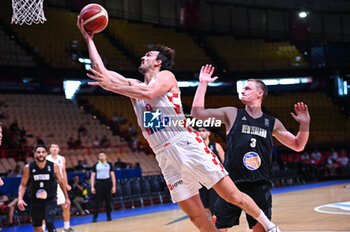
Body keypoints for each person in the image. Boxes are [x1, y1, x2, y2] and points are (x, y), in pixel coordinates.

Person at [78, 17, 281, 232]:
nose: (142, 57)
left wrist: (112, 87)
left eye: (148, 55)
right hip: (163, 154)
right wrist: (89, 39)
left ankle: (270, 227)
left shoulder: (166, 76)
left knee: (232, 196)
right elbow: (101, 72)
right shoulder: (134, 85)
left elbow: (149, 93)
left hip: (185, 143)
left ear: (158, 62)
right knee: (196, 215)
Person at [191, 65, 310, 232]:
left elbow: (298, 145)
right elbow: (197, 114)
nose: (242, 91)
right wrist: (203, 83)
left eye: (247, 88)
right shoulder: (232, 114)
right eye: (242, 88)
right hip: (230, 185)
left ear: (259, 93)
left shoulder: (272, 122)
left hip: (259, 186)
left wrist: (304, 124)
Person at [17, 145, 71, 232]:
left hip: (50, 199)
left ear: (46, 154)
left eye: (43, 152)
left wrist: (67, 198)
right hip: (35, 200)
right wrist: (20, 199)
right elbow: (22, 185)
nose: (41, 154)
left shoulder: (54, 166)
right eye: (38, 152)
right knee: (37, 227)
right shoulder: (28, 167)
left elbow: (61, 182)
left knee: (49, 222)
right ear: (34, 154)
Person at [197, 126, 225, 221]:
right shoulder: (196, 148)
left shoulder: (216, 145)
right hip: (201, 181)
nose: (201, 133)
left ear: (209, 133)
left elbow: (224, 163)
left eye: (203, 131)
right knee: (204, 209)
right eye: (199, 131)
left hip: (214, 181)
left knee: (215, 207)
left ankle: (216, 227)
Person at [46, 143, 75, 232]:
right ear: (50, 149)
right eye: (52, 147)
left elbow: (64, 172)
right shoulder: (46, 158)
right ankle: (42, 229)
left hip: (60, 184)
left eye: (56, 147)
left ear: (59, 149)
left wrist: (66, 184)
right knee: (45, 209)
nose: (54, 148)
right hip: (49, 185)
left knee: (66, 206)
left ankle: (66, 227)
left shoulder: (62, 158)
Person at [90, 151, 116, 222]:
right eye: (100, 156)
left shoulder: (109, 164)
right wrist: (92, 186)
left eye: (103, 155)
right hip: (99, 183)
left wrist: (114, 186)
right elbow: (92, 176)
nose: (102, 157)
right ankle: (95, 218)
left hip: (107, 182)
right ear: (98, 157)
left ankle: (109, 216)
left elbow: (113, 176)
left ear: (105, 156)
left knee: (108, 200)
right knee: (97, 201)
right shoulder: (96, 165)